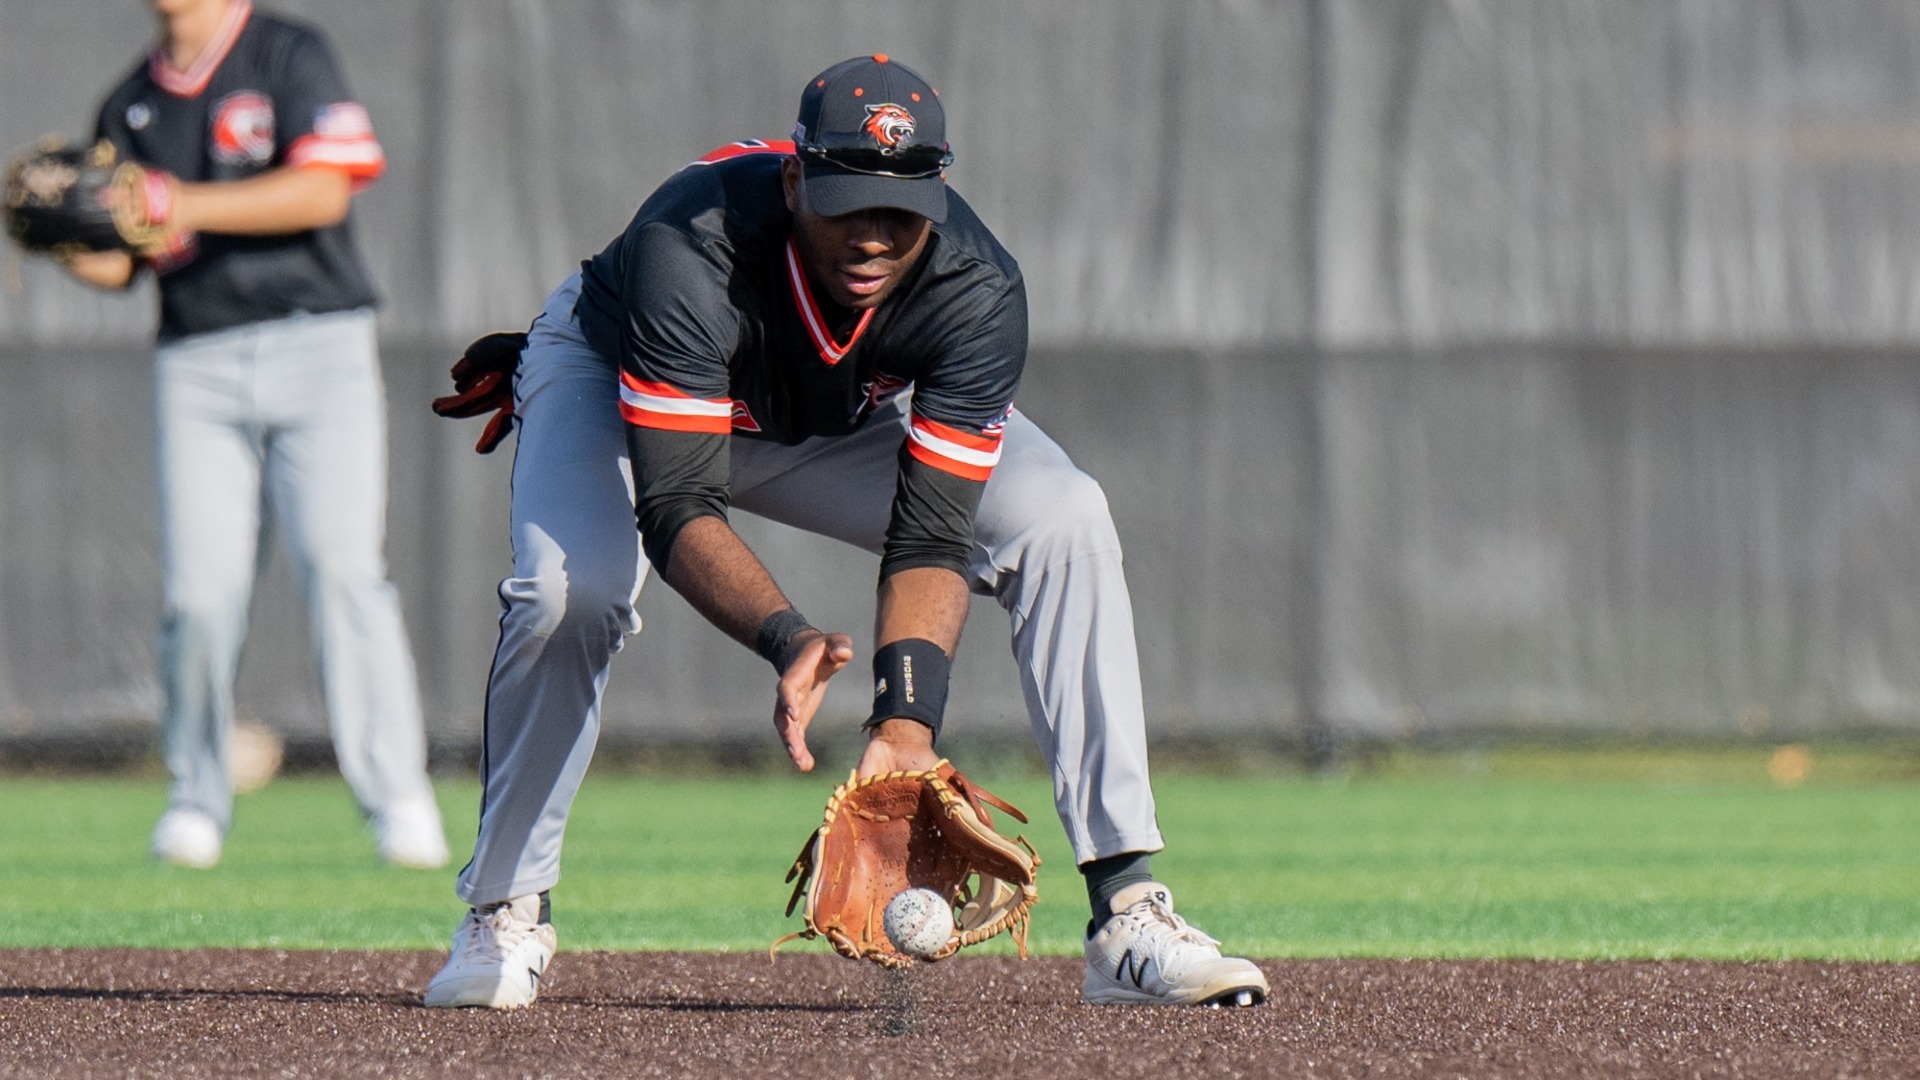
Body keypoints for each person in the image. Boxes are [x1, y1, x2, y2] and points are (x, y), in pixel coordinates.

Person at [422, 54, 1267, 1008]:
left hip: (833, 413)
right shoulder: (689, 245)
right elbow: (675, 505)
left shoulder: (975, 292)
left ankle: (1127, 912)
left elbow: (934, 531)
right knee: (566, 592)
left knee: (1063, 516)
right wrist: (786, 637)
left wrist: (905, 722)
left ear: (938, 196)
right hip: (632, 391)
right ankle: (504, 907)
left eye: (899, 209)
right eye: (845, 202)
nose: (871, 234)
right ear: (795, 181)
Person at [58, 0, 447, 870]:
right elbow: (118, 260)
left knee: (345, 573)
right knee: (199, 597)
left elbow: (324, 184)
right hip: (196, 359)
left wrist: (174, 200)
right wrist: (55, 236)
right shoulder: (130, 105)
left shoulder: (286, 52)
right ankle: (196, 795)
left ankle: (398, 799)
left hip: (320, 343)